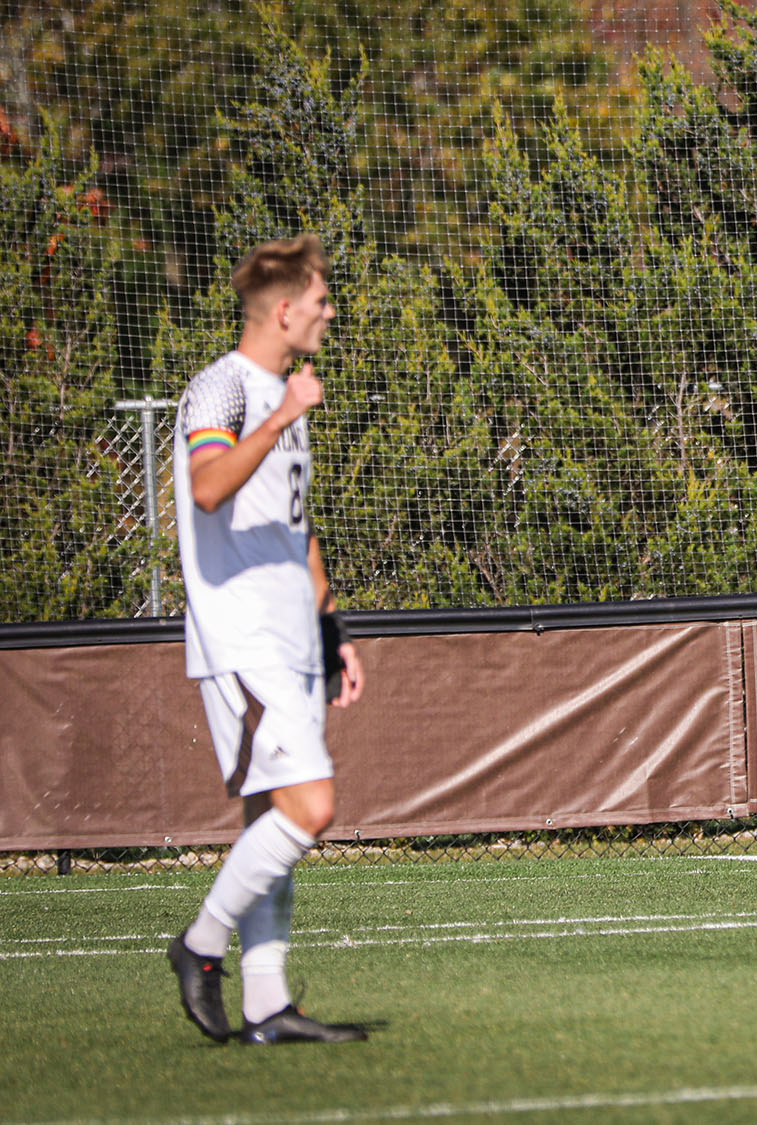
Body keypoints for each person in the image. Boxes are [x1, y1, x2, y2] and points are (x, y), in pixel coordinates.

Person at [165, 233, 369, 1045]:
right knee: (310, 805)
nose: (329, 311)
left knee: (270, 817)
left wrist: (332, 632)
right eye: (319, 300)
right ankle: (198, 943)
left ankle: (266, 1005)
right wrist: (284, 412)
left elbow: (296, 526)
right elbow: (209, 487)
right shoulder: (222, 389)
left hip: (288, 633)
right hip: (239, 632)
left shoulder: (284, 393)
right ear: (283, 311)